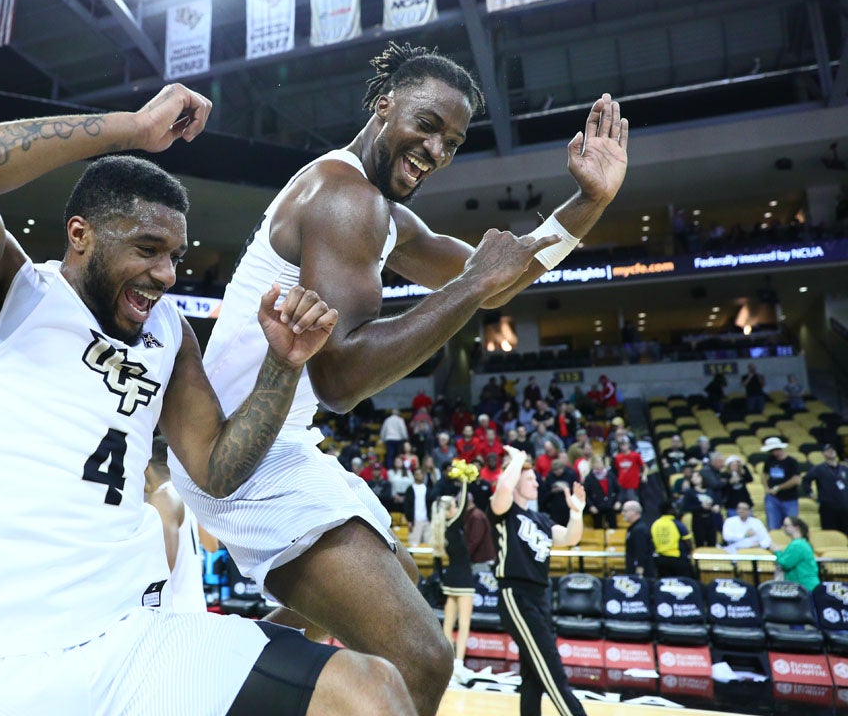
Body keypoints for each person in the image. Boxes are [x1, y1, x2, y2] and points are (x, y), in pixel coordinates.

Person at [0, 84, 413, 715]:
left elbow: (218, 472)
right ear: (80, 235)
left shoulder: (168, 332)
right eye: (148, 249)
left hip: (129, 640)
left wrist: (282, 368)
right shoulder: (7, 293)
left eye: (175, 255)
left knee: (371, 693)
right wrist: (132, 128)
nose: (167, 274)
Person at [182, 43, 626, 716]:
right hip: (238, 451)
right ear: (384, 103)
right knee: (420, 659)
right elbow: (341, 379)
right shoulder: (344, 197)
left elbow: (496, 281)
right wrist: (475, 284)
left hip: (271, 442)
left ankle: (218, 677)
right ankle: (216, 685)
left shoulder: (382, 212)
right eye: (427, 124)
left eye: (452, 142)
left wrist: (588, 203)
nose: (437, 149)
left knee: (401, 583)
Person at [491, 446, 588, 716]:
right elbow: (502, 491)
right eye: (530, 478)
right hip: (515, 593)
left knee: (533, 675)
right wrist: (519, 460)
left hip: (540, 596)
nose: (536, 482)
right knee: (552, 671)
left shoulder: (541, 519)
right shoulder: (505, 511)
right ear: (517, 481)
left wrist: (577, 513)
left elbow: (570, 538)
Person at [145, 435, 207, 614]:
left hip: (175, 614)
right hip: (195, 607)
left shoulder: (163, 496)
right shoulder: (187, 494)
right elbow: (211, 546)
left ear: (146, 466)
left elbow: (161, 571)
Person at [430, 472, 473, 684]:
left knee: (448, 622)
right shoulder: (454, 524)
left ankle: (448, 663)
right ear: (449, 511)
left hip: (449, 580)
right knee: (464, 623)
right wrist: (465, 481)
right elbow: (463, 503)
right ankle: (459, 663)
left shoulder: (440, 531)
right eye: (453, 507)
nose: (456, 508)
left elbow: (437, 563)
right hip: (464, 579)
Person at [803, 445, 848, 536]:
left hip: (845, 507)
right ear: (823, 454)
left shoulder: (844, 469)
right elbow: (805, 481)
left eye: (832, 449)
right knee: (830, 533)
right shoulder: (819, 469)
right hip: (828, 508)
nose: (831, 451)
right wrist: (811, 494)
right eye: (827, 450)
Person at [761, 437, 801, 529]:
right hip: (772, 498)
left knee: (792, 525)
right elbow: (764, 474)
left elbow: (796, 480)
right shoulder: (770, 460)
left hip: (789, 499)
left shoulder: (792, 462)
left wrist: (778, 488)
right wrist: (766, 488)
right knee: (773, 526)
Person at [650, 502, 695, 579]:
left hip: (661, 560)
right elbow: (688, 542)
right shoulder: (678, 524)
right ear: (669, 511)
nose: (677, 511)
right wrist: (691, 550)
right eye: (674, 509)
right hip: (677, 559)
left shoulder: (655, 524)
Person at [774, 516, 819, 591]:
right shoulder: (799, 543)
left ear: (796, 528)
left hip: (805, 587)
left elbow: (785, 563)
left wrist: (777, 551)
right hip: (802, 586)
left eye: (786, 525)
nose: (783, 528)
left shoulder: (798, 544)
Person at [680, 468, 722, 548]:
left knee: (712, 542)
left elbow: (716, 501)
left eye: (697, 476)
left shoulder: (710, 491)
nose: (695, 479)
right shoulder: (690, 492)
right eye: (693, 477)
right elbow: (686, 507)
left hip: (710, 519)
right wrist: (700, 507)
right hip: (698, 520)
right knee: (700, 543)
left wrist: (716, 506)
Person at [582, 455, 619, 529]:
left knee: (613, 526)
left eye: (600, 462)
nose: (598, 465)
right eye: (596, 463)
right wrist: (591, 506)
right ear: (592, 464)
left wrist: (618, 501)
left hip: (611, 506)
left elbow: (618, 490)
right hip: (596, 508)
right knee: (598, 527)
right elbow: (586, 494)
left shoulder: (611, 475)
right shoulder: (589, 478)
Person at [621, 500, 654, 578]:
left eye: (625, 511)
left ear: (634, 512)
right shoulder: (633, 528)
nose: (622, 514)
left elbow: (642, 550)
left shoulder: (639, 529)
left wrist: (640, 569)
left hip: (640, 572)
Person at [403, 468, 433, 545]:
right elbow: (407, 506)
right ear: (414, 476)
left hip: (427, 520)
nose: (420, 476)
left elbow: (431, 504)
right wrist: (409, 520)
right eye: (418, 474)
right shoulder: (410, 489)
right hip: (415, 521)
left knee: (429, 544)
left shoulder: (427, 489)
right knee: (414, 544)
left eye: (421, 474)